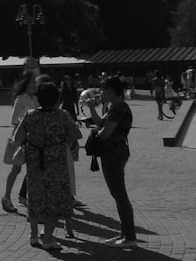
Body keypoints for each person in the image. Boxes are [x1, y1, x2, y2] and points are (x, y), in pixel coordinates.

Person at [13, 81, 80, 251]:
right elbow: (75, 134)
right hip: (56, 163)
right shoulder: (62, 115)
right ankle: (48, 238)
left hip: (35, 162)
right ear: (57, 98)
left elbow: (17, 138)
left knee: (34, 198)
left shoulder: (30, 115)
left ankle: (34, 235)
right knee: (54, 200)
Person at [86, 75, 137, 248]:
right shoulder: (114, 107)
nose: (101, 93)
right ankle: (125, 234)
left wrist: (95, 133)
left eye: (104, 90)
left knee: (120, 195)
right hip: (114, 152)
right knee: (117, 194)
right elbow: (101, 122)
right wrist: (92, 110)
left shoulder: (118, 108)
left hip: (114, 152)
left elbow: (105, 132)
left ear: (111, 91)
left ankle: (129, 237)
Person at [2, 71, 37, 212]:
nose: (35, 84)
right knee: (16, 169)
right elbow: (13, 119)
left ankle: (26, 197)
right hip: (22, 137)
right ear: (27, 83)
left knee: (32, 169)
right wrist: (26, 123)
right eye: (33, 81)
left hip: (33, 137)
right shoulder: (21, 98)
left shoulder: (34, 98)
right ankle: (6, 197)